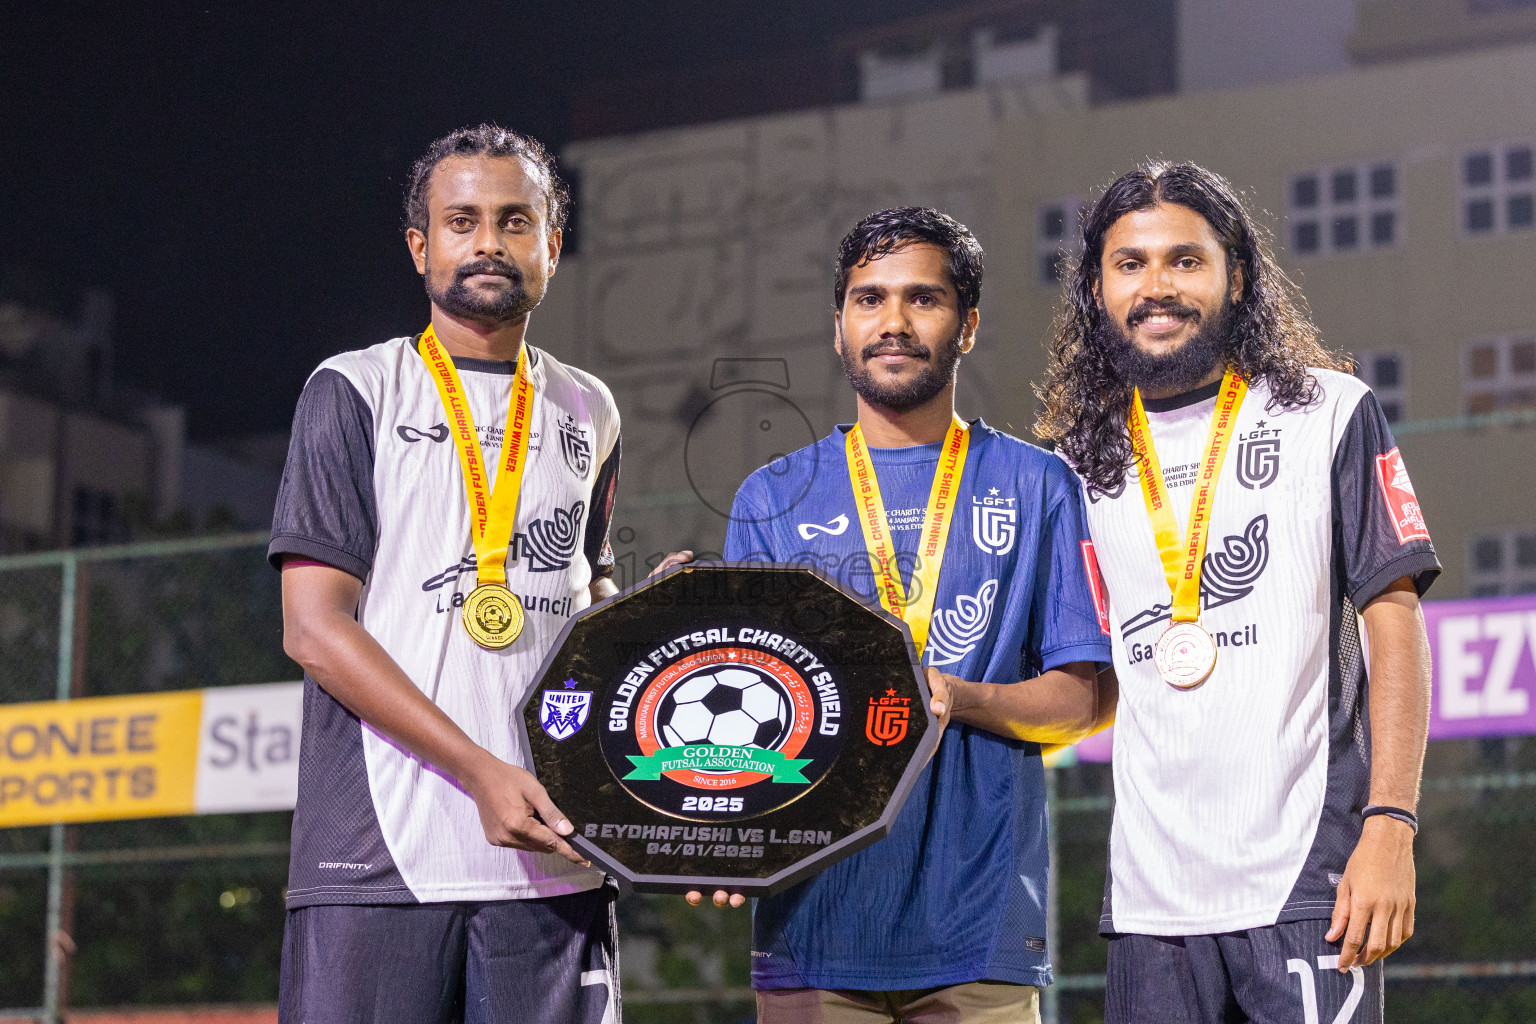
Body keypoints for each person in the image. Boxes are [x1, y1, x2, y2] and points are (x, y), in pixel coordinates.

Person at [1036, 162, 1438, 1024]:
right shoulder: (1074, 463)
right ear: (1097, 289)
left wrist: (1391, 824)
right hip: (1150, 901)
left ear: (1238, 276)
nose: (1157, 286)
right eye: (1130, 264)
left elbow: (1395, 621)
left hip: (1308, 878)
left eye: (1186, 260)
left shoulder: (1330, 412)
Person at [720, 207, 1114, 1023]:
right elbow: (740, 704)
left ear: (967, 325)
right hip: (812, 924)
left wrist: (958, 696)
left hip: (980, 923)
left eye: (923, 299)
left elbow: (1084, 700)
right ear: (838, 325)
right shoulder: (771, 496)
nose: (893, 322)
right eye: (869, 299)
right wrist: (717, 829)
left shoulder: (1038, 484)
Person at [269, 124, 624, 1024]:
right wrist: (477, 770)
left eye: (515, 220)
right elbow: (314, 627)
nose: (489, 242)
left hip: (555, 859)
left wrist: (646, 625)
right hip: (380, 860)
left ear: (552, 244)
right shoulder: (356, 389)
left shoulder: (590, 406)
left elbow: (589, 594)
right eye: (462, 221)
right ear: (420, 247)